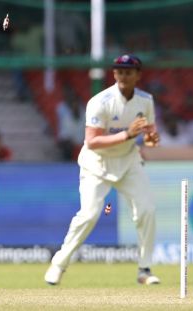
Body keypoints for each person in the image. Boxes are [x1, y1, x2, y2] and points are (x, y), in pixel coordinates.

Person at [44, 54, 161, 286]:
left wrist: (151, 139)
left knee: (147, 210)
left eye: (129, 71)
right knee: (89, 215)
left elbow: (149, 136)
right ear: (114, 74)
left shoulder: (145, 101)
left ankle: (144, 269)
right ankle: (59, 264)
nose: (123, 75)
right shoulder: (100, 101)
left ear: (138, 75)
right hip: (96, 164)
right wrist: (127, 133)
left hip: (128, 162)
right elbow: (92, 141)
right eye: (119, 71)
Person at [55, 84, 86, 161]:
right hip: (68, 138)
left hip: (81, 137)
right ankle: (67, 163)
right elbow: (63, 131)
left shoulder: (83, 111)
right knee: (66, 144)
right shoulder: (64, 112)